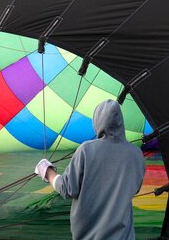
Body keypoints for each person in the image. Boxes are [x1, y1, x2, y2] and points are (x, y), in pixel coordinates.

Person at [35, 99, 145, 240]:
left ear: (98, 122)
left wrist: (47, 172)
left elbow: (67, 188)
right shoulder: (136, 154)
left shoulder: (86, 150)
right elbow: (134, 189)